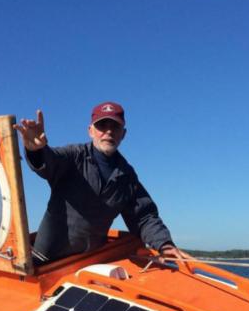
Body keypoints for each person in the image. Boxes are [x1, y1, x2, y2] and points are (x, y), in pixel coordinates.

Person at [14, 102, 190, 264]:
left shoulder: (127, 176)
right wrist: (36, 150)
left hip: (89, 261)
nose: (108, 131)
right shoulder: (73, 156)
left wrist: (164, 244)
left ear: (124, 134)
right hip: (46, 259)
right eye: (102, 126)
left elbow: (144, 216)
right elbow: (49, 162)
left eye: (115, 126)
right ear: (90, 130)